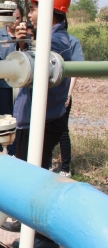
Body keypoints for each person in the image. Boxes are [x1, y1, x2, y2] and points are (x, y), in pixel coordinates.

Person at [4, 0, 73, 248]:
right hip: (42, 116)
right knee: (33, 173)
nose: (30, 14)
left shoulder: (53, 41)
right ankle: (28, 225)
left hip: (40, 119)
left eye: (33, 9)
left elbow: (29, 70)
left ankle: (45, 236)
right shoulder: (56, 38)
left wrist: (25, 45)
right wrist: (25, 44)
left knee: (34, 178)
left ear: (49, 11)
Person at [0, 7, 25, 155]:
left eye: (18, 18)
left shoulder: (25, 35)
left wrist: (21, 42)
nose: (14, 21)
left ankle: (15, 149)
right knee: (4, 116)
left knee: (18, 117)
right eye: (11, 17)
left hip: (20, 85)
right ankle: (2, 148)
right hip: (2, 85)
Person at [57, 33, 84, 177]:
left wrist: (68, 93)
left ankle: (65, 168)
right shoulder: (43, 38)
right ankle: (45, 163)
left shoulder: (73, 41)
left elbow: (75, 70)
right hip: (47, 93)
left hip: (63, 92)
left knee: (62, 131)